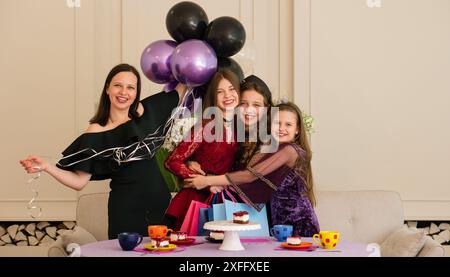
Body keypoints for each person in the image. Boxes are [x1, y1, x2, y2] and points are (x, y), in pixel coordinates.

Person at [20, 63, 186, 239]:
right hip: (125, 210)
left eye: (131, 87)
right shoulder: (96, 132)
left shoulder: (147, 110)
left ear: (136, 92)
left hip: (161, 206)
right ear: (107, 88)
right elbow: (79, 181)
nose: (124, 92)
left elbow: (184, 83)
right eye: (118, 85)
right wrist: (47, 167)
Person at [184, 102, 320, 236]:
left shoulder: (290, 150)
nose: (281, 128)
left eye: (288, 125)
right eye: (277, 123)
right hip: (280, 220)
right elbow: (255, 177)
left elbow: (251, 175)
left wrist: (207, 181)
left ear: (297, 129)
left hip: (298, 220)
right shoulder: (275, 149)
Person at [163, 69, 241, 230]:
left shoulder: (242, 128)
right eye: (220, 92)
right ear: (213, 96)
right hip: (196, 200)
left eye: (232, 89)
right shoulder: (204, 127)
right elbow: (172, 162)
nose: (227, 95)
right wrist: (203, 182)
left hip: (225, 200)